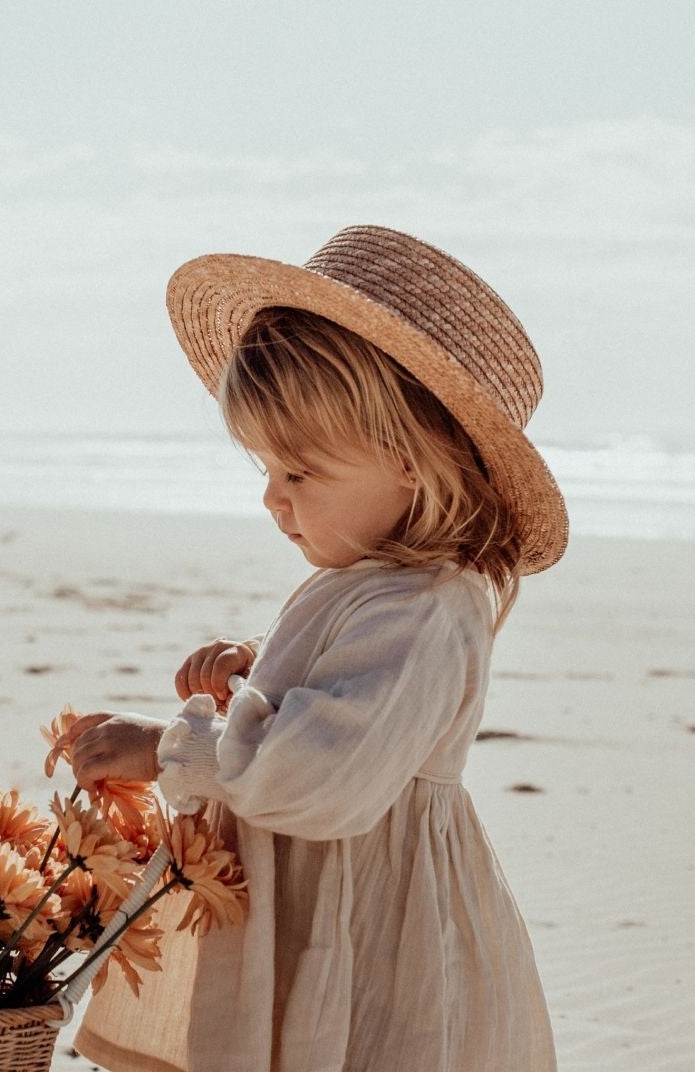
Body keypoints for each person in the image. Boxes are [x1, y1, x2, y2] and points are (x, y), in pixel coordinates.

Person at [66, 224, 568, 1071]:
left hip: (370, 929)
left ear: (414, 460)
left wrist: (166, 747)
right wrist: (259, 671)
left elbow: (318, 774)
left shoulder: (432, 607)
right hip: (310, 907)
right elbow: (335, 690)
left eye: (299, 472)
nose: (273, 498)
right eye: (264, 467)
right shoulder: (382, 587)